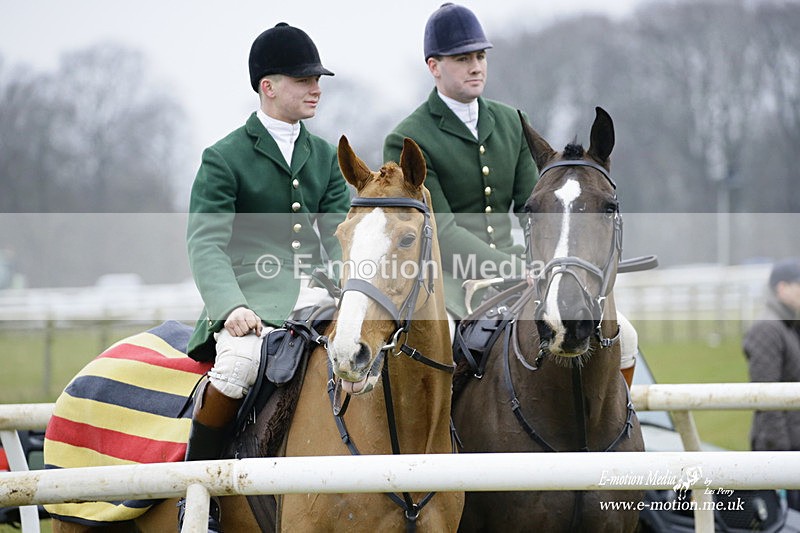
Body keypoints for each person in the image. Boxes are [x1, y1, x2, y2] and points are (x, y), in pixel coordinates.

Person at [383, 3, 638, 384]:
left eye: (480, 56)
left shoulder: (510, 121)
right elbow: (443, 230)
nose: (476, 66)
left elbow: (534, 208)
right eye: (463, 58)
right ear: (434, 66)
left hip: (527, 272)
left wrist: (552, 262)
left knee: (626, 338)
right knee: (447, 344)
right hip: (452, 282)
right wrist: (509, 267)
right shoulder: (408, 137)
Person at [183, 22, 350, 529]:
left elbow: (343, 233)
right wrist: (230, 307)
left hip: (319, 294)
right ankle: (199, 497)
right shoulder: (225, 157)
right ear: (268, 87)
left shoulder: (324, 155)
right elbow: (205, 243)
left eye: (318, 78)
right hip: (249, 303)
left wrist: (350, 287)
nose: (316, 88)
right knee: (235, 371)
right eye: (303, 79)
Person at [743, 258, 800, 511]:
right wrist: (781, 461)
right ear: (782, 289)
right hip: (782, 451)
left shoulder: (787, 326)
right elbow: (766, 397)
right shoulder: (768, 328)